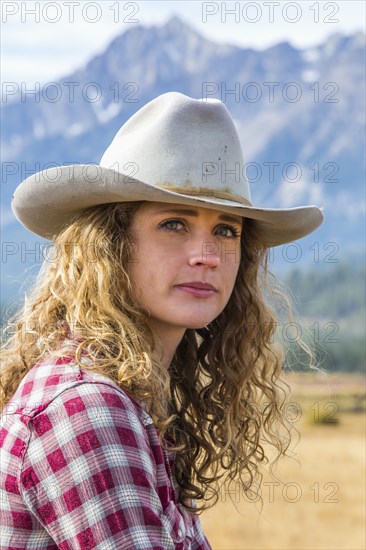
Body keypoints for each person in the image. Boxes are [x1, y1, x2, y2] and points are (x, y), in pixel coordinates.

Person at [0, 92, 323, 549]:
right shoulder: (87, 406)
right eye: (174, 224)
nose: (207, 256)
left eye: (226, 230)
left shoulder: (136, 400)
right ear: (109, 246)